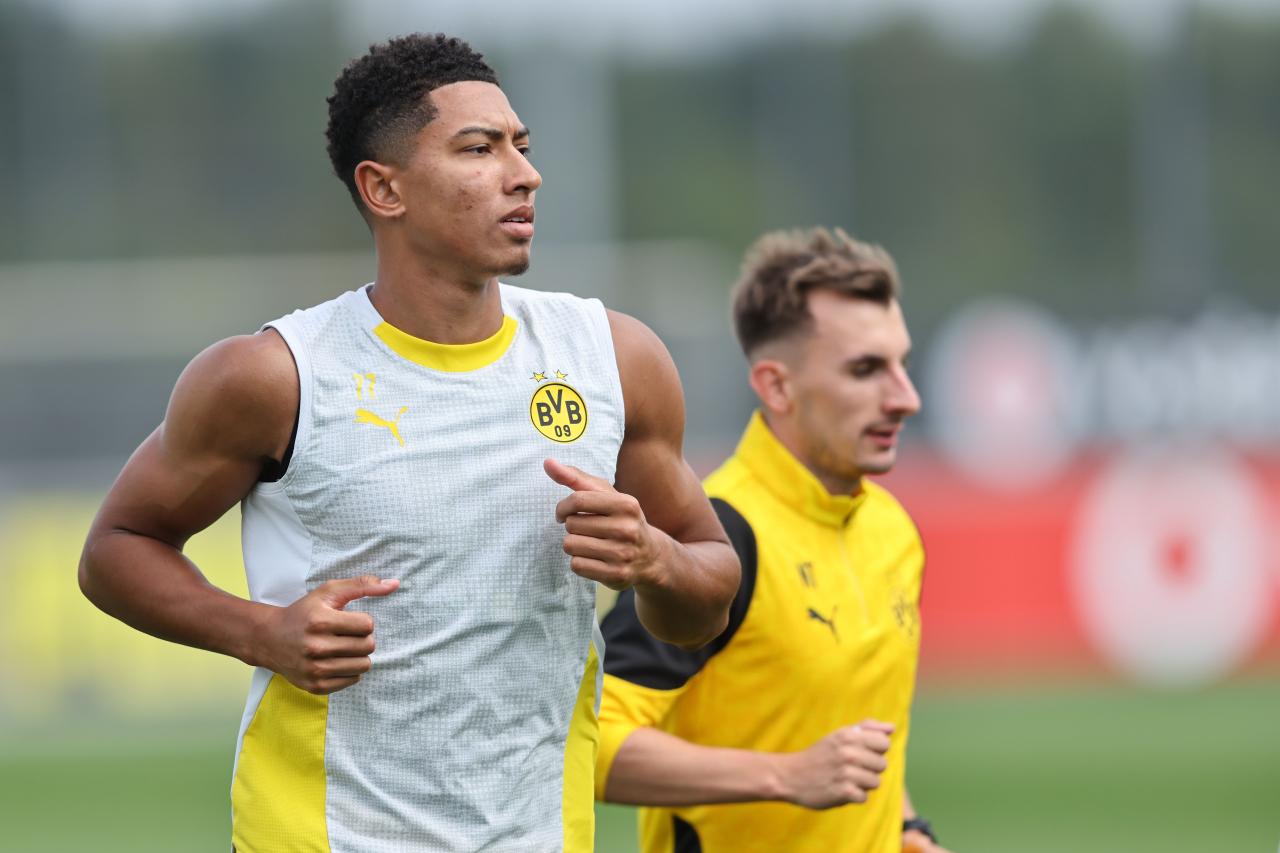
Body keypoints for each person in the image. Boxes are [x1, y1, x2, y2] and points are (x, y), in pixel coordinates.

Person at [78, 33, 739, 853]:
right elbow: (115, 549)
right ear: (383, 188)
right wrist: (261, 632)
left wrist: (654, 559)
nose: (524, 174)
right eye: (479, 149)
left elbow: (704, 604)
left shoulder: (614, 358)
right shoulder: (275, 375)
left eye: (521, 146)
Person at [595, 227, 950, 852]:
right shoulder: (719, 539)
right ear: (776, 385)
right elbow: (593, 742)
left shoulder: (893, 529)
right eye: (866, 369)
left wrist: (906, 829)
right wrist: (784, 776)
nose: (907, 398)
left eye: (902, 364)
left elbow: (853, 742)